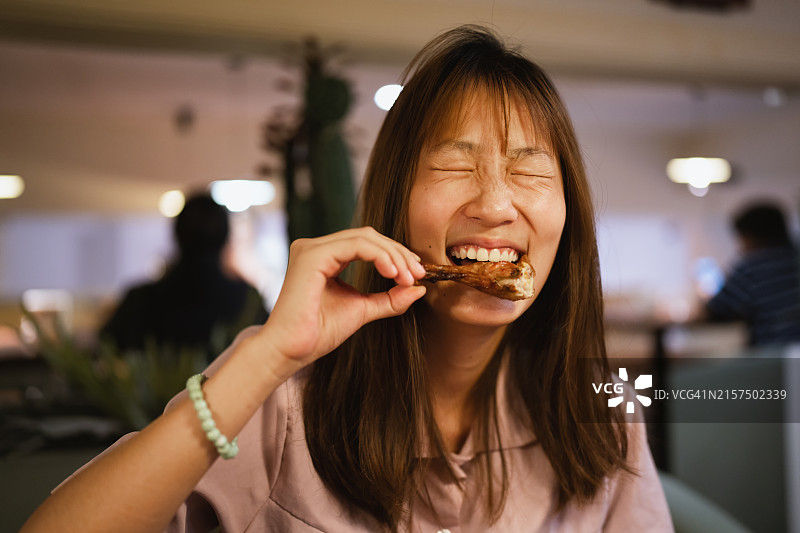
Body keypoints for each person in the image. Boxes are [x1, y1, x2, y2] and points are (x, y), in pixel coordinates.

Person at [21, 26, 672, 532]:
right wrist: (269, 354)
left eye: (529, 171)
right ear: (394, 202)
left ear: (570, 214)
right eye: (454, 163)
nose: (496, 204)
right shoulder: (287, 404)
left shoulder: (604, 415)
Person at [99, 193, 269, 362]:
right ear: (226, 238)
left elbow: (102, 355)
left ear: (176, 236)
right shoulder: (248, 302)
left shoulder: (139, 302)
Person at [706, 201, 800, 346]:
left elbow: (715, 311)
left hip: (776, 355)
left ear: (750, 237)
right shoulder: (794, 256)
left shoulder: (751, 267)